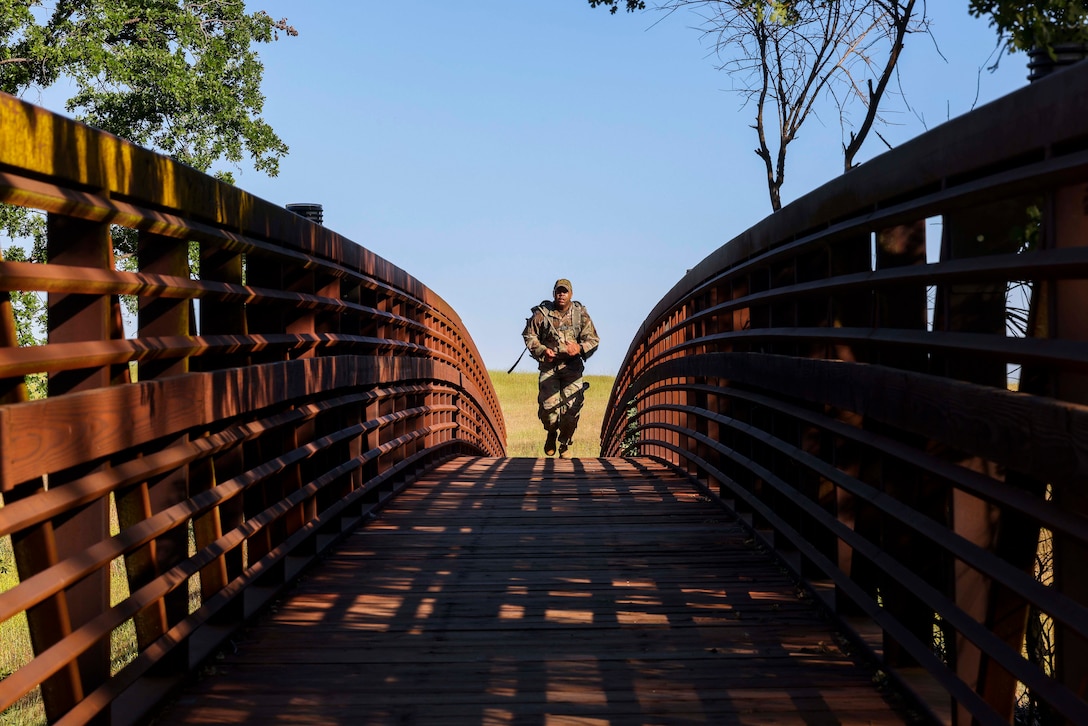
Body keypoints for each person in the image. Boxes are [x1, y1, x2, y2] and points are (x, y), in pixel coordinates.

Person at [521, 278, 600, 457]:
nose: (561, 294)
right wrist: (542, 350)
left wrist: (579, 348)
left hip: (572, 368)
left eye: (565, 291)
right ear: (553, 293)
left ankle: (564, 443)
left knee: (571, 410)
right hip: (549, 367)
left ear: (571, 294)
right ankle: (551, 432)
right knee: (549, 411)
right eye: (559, 291)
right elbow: (529, 335)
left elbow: (593, 340)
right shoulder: (542, 313)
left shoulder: (580, 315)